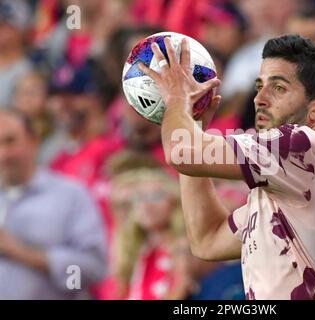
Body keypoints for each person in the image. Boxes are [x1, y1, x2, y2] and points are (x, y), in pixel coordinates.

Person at [138, 34, 315, 299]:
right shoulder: (280, 185)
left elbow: (181, 152)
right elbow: (208, 240)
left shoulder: (305, 146)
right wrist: (192, 124)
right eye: (259, 85)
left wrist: (176, 100)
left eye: (278, 88)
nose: (259, 99)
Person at [0, 110, 107, 299]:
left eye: (10, 141)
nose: (3, 153)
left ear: (33, 141)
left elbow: (93, 271)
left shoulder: (70, 195)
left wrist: (24, 253)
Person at [110, 168, 190, 300]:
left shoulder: (183, 246)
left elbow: (181, 289)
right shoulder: (135, 248)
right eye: (139, 198)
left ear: (174, 200)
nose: (146, 204)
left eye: (157, 196)